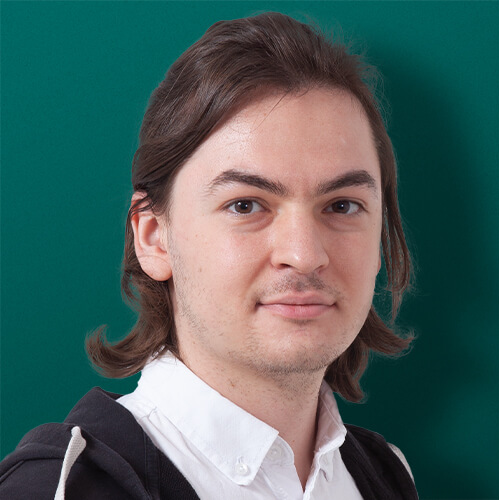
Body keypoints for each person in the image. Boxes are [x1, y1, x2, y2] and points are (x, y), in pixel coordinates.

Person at [0, 12, 418, 499]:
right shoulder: (60, 488)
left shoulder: (386, 477)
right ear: (153, 237)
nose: (304, 255)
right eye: (246, 205)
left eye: (342, 206)